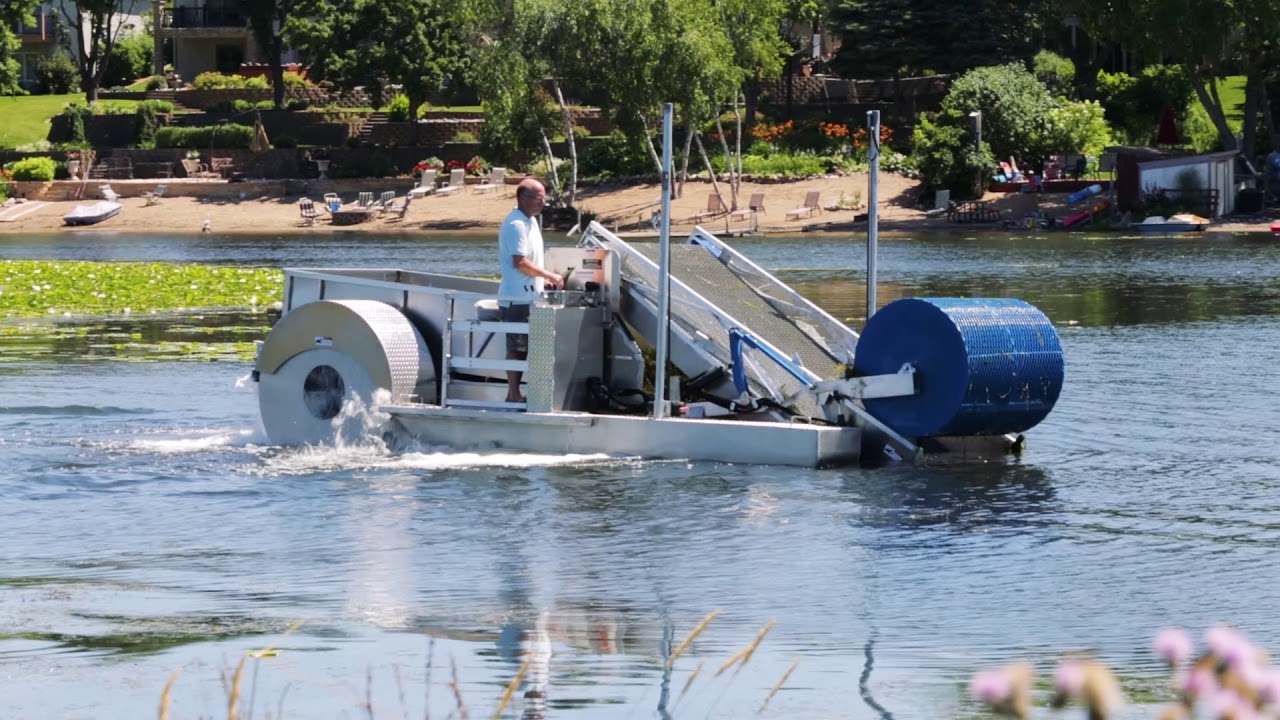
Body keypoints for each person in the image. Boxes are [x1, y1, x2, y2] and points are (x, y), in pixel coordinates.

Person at [498, 178, 563, 404]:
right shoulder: (515, 224)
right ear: (523, 198)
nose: (543, 202)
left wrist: (542, 281)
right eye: (539, 198)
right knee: (517, 347)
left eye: (544, 197)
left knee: (529, 347)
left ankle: (523, 393)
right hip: (516, 297)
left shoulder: (532, 222)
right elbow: (520, 263)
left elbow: (531, 259)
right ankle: (513, 394)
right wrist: (549, 275)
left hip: (531, 295)